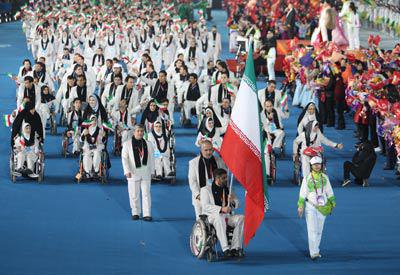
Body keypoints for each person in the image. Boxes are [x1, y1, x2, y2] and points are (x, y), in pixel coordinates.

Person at [298, 156, 336, 260]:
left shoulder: (325, 177)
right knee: (312, 230)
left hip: (323, 207)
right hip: (310, 206)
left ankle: (316, 249)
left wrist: (333, 202)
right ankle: (313, 252)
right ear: (311, 166)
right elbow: (302, 193)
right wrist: (300, 206)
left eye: (319, 164)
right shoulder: (307, 178)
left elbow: (329, 191)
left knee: (319, 230)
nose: (317, 166)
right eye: (315, 164)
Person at [200, 168, 244, 258]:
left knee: (242, 218)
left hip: (227, 216)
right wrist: (221, 209)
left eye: (226, 177)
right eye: (224, 178)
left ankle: (235, 248)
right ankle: (225, 248)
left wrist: (232, 200)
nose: (226, 180)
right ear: (217, 178)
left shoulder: (228, 189)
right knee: (219, 217)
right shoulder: (206, 190)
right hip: (212, 216)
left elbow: (237, 204)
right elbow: (205, 206)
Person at [122, 124, 155, 221]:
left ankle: (147, 213)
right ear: (134, 132)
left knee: (146, 194)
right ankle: (135, 212)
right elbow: (124, 159)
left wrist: (153, 171)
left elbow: (152, 158)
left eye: (142, 131)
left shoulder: (148, 144)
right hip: (133, 172)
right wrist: (126, 170)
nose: (140, 133)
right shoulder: (127, 144)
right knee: (134, 194)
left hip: (146, 172)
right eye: (138, 131)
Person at [188, 140, 225, 219]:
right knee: (201, 221)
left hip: (217, 195)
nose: (209, 152)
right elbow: (192, 181)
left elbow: (224, 179)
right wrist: (198, 195)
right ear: (201, 150)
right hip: (200, 197)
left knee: (218, 219)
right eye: (206, 150)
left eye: (211, 150)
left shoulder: (219, 161)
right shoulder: (194, 163)